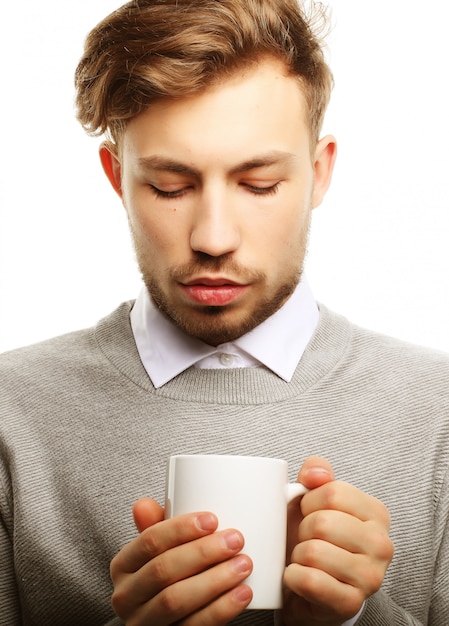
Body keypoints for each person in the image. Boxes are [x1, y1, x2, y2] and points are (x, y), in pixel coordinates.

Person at [0, 0, 448, 624]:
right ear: (116, 176)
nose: (213, 238)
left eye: (258, 184)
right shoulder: (9, 414)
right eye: (170, 187)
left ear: (319, 174)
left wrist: (353, 618)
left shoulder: (438, 414)